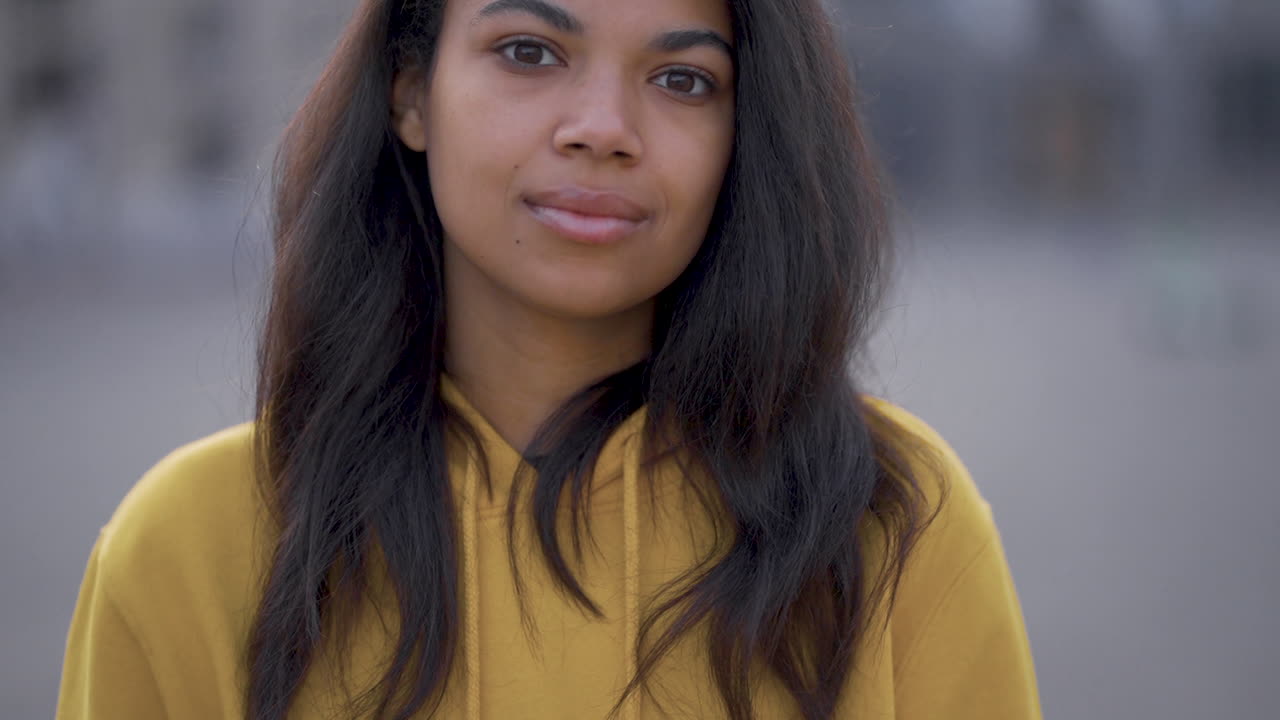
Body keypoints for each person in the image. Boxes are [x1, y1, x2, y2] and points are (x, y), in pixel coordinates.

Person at [56, 0, 1042, 718]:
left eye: (681, 79)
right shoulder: (189, 551)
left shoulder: (891, 524)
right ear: (410, 91)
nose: (602, 130)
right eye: (528, 51)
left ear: (745, 134)